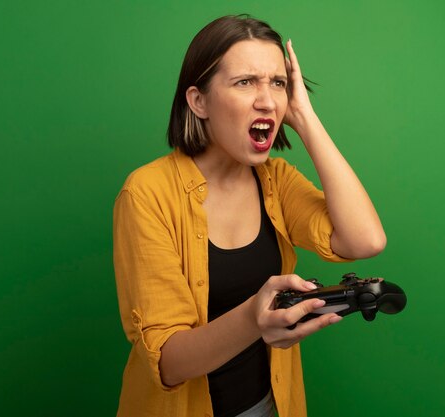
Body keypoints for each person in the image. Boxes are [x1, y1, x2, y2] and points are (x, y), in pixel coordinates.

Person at [112, 15, 386, 417]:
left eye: (278, 83)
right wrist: (256, 318)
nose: (268, 100)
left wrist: (306, 120)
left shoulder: (274, 181)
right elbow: (169, 362)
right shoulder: (146, 194)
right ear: (198, 101)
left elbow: (365, 240)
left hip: (269, 406)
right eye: (245, 82)